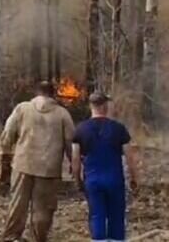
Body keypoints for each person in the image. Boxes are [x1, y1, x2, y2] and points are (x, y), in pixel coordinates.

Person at [0, 81, 75, 242]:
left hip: (23, 165)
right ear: (53, 94)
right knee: (43, 210)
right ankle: (37, 238)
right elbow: (71, 142)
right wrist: (73, 164)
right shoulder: (62, 114)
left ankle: (11, 237)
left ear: (36, 93)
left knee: (17, 205)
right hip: (49, 168)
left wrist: (5, 155)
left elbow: (8, 133)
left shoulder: (22, 108)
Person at [71, 92, 139, 242]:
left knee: (96, 215)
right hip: (115, 180)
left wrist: (77, 179)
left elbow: (75, 159)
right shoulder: (119, 128)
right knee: (116, 216)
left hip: (93, 180)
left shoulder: (80, 129)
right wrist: (134, 178)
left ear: (91, 106)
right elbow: (130, 158)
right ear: (105, 106)